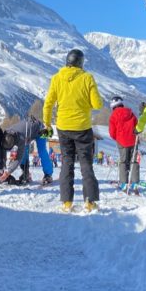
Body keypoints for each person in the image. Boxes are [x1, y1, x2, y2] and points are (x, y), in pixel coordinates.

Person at [43, 48, 104, 212]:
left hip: (63, 127)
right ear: (81, 63)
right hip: (83, 128)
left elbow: (48, 104)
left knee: (67, 163)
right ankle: (90, 202)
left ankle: (66, 202)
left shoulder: (56, 78)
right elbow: (97, 104)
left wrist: (48, 124)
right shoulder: (87, 78)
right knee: (86, 164)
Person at [108, 95, 139, 192]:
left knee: (123, 162)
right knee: (134, 161)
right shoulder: (131, 113)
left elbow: (112, 132)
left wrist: (117, 137)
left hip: (121, 141)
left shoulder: (113, 116)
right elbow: (137, 125)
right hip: (133, 140)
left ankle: (124, 184)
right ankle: (134, 184)